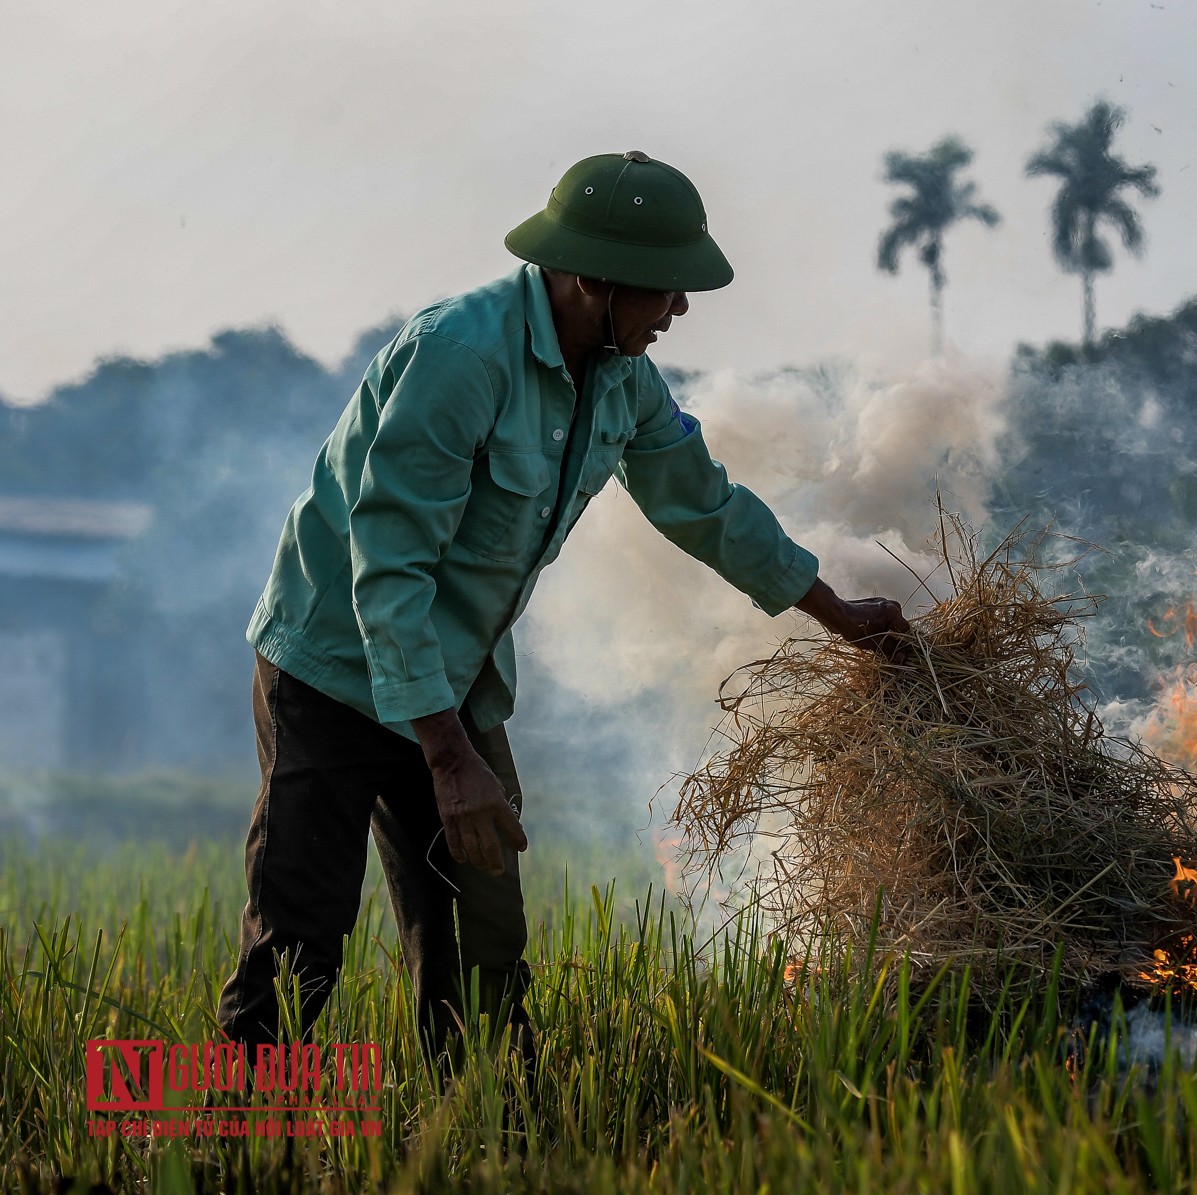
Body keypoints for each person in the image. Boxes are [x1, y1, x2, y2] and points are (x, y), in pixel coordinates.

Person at [215, 150, 909, 1079]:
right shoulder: (460, 357)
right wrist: (451, 758)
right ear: (594, 280)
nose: (681, 311)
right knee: (299, 940)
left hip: (452, 677)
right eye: (665, 290)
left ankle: (478, 1136)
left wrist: (839, 613)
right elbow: (387, 572)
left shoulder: (620, 373)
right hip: (333, 672)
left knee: (483, 933)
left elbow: (703, 503)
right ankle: (236, 1148)